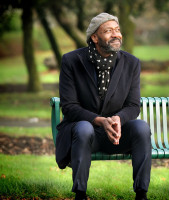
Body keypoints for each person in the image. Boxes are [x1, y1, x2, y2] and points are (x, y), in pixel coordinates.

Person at [55, 13, 152, 200]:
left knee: (141, 127)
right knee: (84, 128)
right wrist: (99, 120)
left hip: (116, 134)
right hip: (83, 134)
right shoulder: (72, 61)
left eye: (117, 30)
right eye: (108, 31)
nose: (116, 34)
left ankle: (142, 194)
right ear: (94, 37)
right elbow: (69, 106)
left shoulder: (131, 63)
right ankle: (80, 194)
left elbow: (133, 105)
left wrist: (118, 119)